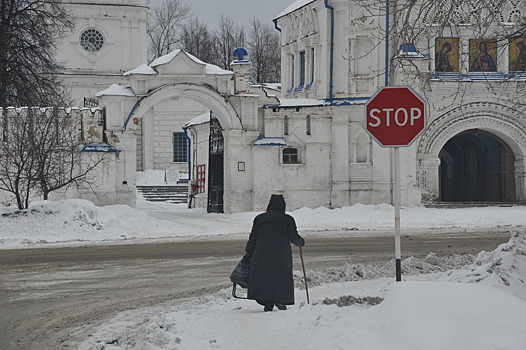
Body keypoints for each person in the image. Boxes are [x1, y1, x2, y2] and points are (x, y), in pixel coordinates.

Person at [245, 194, 305, 312]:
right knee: (280, 277)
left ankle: (267, 302)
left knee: (265, 277)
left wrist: (249, 251)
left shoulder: (260, 219)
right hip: (281, 254)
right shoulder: (287, 219)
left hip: (262, 253)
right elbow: (293, 237)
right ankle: (280, 300)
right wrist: (301, 242)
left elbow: (253, 237)